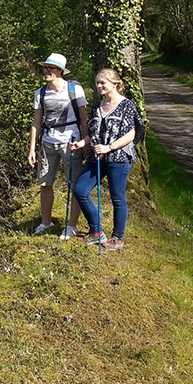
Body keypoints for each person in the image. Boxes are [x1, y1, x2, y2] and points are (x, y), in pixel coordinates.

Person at [70, 68, 140, 251]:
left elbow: (131, 134)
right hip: (96, 157)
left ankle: (118, 238)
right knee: (80, 190)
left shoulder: (127, 106)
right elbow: (92, 134)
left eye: (103, 83)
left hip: (119, 158)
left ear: (115, 84)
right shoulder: (97, 106)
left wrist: (110, 147)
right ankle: (96, 232)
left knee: (117, 198)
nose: (99, 86)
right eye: (98, 82)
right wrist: (81, 143)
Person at [27, 53, 89, 237]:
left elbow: (84, 119)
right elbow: (36, 122)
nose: (46, 71)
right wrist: (32, 148)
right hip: (48, 142)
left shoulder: (74, 89)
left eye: (50, 68)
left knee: (74, 184)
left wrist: (86, 142)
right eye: (45, 67)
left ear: (60, 71)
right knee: (45, 183)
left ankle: (72, 225)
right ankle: (46, 222)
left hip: (71, 142)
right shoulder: (41, 93)